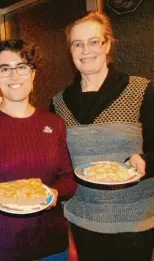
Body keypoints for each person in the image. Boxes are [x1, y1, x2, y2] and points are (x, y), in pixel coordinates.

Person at [50, 11, 154, 261]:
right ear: (70, 50)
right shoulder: (59, 102)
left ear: (107, 44)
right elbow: (57, 161)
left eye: (93, 41)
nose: (86, 50)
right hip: (82, 219)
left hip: (134, 222)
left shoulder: (142, 90)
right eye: (77, 44)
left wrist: (146, 161)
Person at [0, 40, 77, 261]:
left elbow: (68, 179)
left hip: (52, 246)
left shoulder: (54, 123)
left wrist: (55, 193)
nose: (14, 76)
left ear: (33, 74)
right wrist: (0, 198)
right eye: (5, 69)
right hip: (2, 248)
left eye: (22, 67)